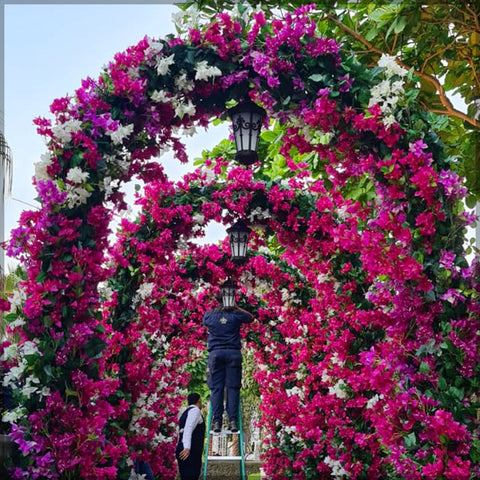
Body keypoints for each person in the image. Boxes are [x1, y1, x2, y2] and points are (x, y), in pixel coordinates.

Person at [203, 299, 253, 433]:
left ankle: (217, 421)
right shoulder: (236, 315)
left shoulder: (209, 315)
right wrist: (236, 308)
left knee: (216, 388)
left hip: (216, 354)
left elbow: (205, 321)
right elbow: (250, 318)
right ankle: (232, 421)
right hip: (233, 353)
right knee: (233, 388)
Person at [176, 392, 205, 480]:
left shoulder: (185, 413)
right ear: (199, 401)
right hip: (189, 451)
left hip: (182, 447)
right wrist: (187, 447)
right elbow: (188, 428)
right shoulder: (195, 411)